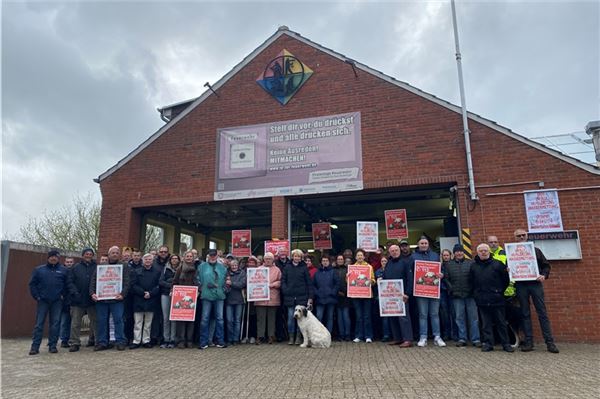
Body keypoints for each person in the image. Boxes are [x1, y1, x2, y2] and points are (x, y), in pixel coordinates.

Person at [513, 229, 559, 353]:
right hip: (521, 285)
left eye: (523, 235)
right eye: (519, 235)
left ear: (527, 236)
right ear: (515, 238)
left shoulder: (536, 250)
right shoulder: (511, 252)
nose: (521, 237)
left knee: (542, 313)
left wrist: (544, 275)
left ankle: (550, 343)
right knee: (525, 313)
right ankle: (529, 342)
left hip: (535, 284)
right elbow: (509, 267)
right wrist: (508, 269)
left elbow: (546, 265)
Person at [470, 243, 513, 352]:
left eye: (485, 250)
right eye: (481, 251)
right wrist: (476, 294)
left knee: (501, 323)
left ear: (489, 252)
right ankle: (488, 344)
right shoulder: (474, 266)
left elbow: (506, 280)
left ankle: (506, 344)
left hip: (497, 299)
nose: (483, 252)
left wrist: (499, 291)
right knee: (486, 324)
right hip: (482, 299)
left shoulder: (498, 264)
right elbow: (471, 282)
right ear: (477, 252)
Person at [28, 250, 69, 355]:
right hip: (43, 301)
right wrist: (37, 296)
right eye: (51, 256)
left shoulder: (64, 271)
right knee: (39, 324)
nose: (53, 258)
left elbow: (67, 285)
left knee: (55, 324)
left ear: (58, 258)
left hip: (57, 302)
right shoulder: (39, 270)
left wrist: (63, 295)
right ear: (48, 258)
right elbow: (32, 284)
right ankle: (34, 347)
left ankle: (52, 346)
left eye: (55, 257)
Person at [90, 245, 129, 351]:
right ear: (109, 254)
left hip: (117, 299)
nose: (115, 254)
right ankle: (102, 342)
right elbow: (94, 280)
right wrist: (92, 293)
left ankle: (120, 341)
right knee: (102, 321)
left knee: (118, 320)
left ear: (119, 255)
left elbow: (127, 282)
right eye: (113, 252)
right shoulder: (101, 266)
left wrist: (122, 294)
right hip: (102, 299)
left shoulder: (124, 266)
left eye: (117, 252)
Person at [413, 237, 445, 347]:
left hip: (434, 290)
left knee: (435, 314)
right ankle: (423, 337)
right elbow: (411, 272)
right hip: (421, 290)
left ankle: (437, 336)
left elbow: (441, 269)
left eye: (425, 243)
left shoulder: (435, 255)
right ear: (418, 244)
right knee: (423, 314)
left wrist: (441, 274)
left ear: (428, 244)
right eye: (421, 243)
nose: (424, 245)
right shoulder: (413, 256)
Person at [446, 244, 480, 347]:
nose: (459, 253)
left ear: (463, 252)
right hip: (456, 296)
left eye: (461, 251)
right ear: (454, 253)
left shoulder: (471, 263)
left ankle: (476, 339)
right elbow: (447, 279)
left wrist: (473, 290)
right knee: (459, 318)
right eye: (457, 251)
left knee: (473, 318)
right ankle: (462, 338)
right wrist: (451, 289)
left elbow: (476, 278)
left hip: (470, 295)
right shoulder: (449, 265)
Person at [382, 244, 413, 347]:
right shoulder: (388, 263)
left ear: (399, 251)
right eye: (392, 251)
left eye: (396, 250)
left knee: (404, 318)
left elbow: (410, 279)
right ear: (389, 252)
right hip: (390, 295)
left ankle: (407, 339)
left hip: (402, 295)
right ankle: (397, 338)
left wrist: (407, 293)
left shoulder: (405, 262)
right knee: (393, 317)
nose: (394, 252)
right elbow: (385, 277)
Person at [67, 248, 97, 352]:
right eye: (86, 254)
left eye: (90, 254)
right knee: (75, 323)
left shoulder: (97, 267)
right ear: (82, 255)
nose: (88, 255)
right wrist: (75, 293)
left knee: (95, 322)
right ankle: (75, 342)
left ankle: (94, 340)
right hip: (78, 299)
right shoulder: (75, 267)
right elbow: (70, 282)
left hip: (92, 299)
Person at [281, 249, 314, 345]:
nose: (297, 258)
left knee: (301, 319)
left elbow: (309, 283)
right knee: (290, 318)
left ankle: (299, 338)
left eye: (299, 256)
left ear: (301, 258)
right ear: (292, 257)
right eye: (295, 256)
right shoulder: (287, 267)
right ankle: (291, 337)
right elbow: (283, 281)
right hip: (290, 297)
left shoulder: (304, 268)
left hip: (302, 297)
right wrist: (285, 290)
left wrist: (310, 297)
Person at [197, 248, 228, 349]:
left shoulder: (222, 267)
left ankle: (220, 341)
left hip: (219, 296)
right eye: (211, 255)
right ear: (208, 256)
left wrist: (224, 289)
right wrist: (201, 287)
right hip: (206, 295)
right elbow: (196, 279)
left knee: (220, 319)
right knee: (205, 319)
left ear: (217, 256)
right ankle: (203, 342)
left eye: (214, 255)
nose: (212, 257)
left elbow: (227, 280)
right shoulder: (201, 267)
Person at [130, 254, 162, 349]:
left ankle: (146, 340)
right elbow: (133, 285)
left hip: (151, 299)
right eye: (146, 259)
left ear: (152, 261)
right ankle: (136, 341)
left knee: (148, 323)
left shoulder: (157, 272)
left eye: (150, 259)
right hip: (139, 299)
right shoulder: (136, 271)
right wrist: (143, 293)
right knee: (138, 322)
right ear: (142, 260)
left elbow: (158, 285)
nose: (148, 261)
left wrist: (150, 293)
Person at [255, 252, 282, 344]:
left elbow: (280, 281)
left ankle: (271, 336)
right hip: (260, 297)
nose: (268, 260)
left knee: (271, 318)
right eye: (266, 258)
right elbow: (253, 281)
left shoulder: (277, 270)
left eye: (270, 258)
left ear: (273, 260)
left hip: (273, 297)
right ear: (264, 260)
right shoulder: (258, 269)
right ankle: (260, 336)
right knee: (260, 318)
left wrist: (272, 285)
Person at [173, 250, 198, 348]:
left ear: (193, 258)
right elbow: (175, 281)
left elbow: (198, 281)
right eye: (187, 256)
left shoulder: (197, 268)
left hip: (193, 296)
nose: (188, 258)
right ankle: (181, 340)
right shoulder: (180, 269)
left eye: (190, 256)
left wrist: (198, 291)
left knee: (191, 320)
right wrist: (173, 290)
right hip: (181, 296)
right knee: (181, 319)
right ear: (183, 257)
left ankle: (189, 340)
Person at [351, 249, 375, 343]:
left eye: (361, 255)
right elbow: (349, 283)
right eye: (358, 255)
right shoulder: (352, 267)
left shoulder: (369, 267)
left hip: (367, 295)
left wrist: (371, 281)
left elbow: (373, 280)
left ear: (364, 257)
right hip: (356, 295)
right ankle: (359, 336)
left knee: (367, 316)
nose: (360, 257)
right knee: (359, 316)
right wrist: (347, 277)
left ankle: (368, 336)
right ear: (355, 257)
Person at [313, 255, 339, 334]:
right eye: (323, 261)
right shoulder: (317, 273)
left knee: (329, 318)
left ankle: (328, 334)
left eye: (326, 261)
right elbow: (313, 285)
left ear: (329, 262)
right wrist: (317, 293)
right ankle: (319, 334)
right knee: (319, 317)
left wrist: (333, 292)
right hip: (319, 298)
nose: (325, 262)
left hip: (330, 298)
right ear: (321, 262)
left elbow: (337, 283)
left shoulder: (333, 272)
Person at [159, 254, 179, 348]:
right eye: (173, 259)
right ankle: (166, 338)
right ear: (170, 260)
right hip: (165, 294)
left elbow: (181, 281)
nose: (174, 260)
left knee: (174, 317)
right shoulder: (165, 269)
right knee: (166, 318)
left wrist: (172, 284)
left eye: (176, 259)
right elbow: (161, 281)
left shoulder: (181, 269)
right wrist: (171, 285)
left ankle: (173, 338)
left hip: (177, 296)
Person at [225, 259, 246, 346]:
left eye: (235, 265)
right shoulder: (226, 273)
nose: (234, 267)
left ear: (238, 266)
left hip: (239, 300)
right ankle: (230, 338)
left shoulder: (242, 273)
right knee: (229, 320)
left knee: (237, 320)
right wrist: (229, 285)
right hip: (229, 299)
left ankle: (236, 338)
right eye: (232, 265)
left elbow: (242, 284)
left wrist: (231, 283)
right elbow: (225, 284)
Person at [439, 249, 456, 342]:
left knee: (454, 314)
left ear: (450, 256)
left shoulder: (454, 265)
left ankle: (454, 334)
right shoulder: (439, 266)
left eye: (447, 255)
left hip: (452, 292)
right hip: (442, 292)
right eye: (444, 255)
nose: (445, 257)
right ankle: (446, 333)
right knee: (444, 314)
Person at [333, 254, 351, 341]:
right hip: (337, 296)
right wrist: (337, 292)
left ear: (344, 260)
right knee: (339, 317)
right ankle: (341, 334)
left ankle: (347, 334)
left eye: (341, 259)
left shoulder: (348, 269)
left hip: (346, 295)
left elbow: (351, 282)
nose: (340, 260)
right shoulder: (333, 270)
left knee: (346, 316)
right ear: (336, 260)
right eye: (338, 259)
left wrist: (346, 291)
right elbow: (332, 283)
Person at [59, 256, 75, 348]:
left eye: (71, 262)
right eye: (68, 262)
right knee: (64, 321)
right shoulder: (61, 272)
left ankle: (71, 339)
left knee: (73, 322)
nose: (69, 263)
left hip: (73, 300)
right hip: (64, 301)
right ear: (65, 263)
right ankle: (64, 340)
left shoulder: (75, 272)